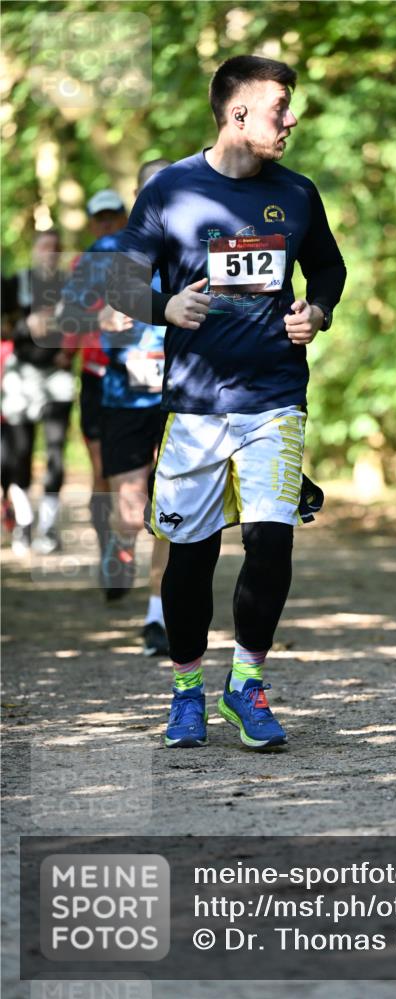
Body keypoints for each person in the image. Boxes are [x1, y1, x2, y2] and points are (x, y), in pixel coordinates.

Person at [110, 54, 346, 749]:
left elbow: (327, 266)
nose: (292, 118)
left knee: (270, 540)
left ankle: (246, 686)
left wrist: (319, 312)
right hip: (195, 405)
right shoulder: (171, 191)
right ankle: (187, 691)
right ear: (237, 113)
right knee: (190, 556)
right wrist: (164, 304)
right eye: (281, 107)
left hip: (274, 397)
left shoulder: (297, 193)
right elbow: (117, 283)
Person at [60, 163, 172, 656]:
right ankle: (120, 547)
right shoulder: (108, 250)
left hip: (186, 394)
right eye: (152, 187)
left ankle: (159, 615)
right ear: (137, 195)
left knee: (174, 508)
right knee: (131, 511)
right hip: (125, 394)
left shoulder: (200, 242)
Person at [63, 191, 127, 579]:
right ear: (90, 223)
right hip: (97, 376)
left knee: (144, 469)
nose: (106, 223)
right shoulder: (82, 264)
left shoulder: (147, 255)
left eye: (113, 216)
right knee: (103, 469)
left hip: (146, 377)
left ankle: (132, 547)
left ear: (125, 218)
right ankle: (110, 554)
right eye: (99, 218)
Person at [1, 230, 75, 555]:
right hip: (21, 378)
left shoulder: (70, 285)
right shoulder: (16, 282)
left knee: (56, 453)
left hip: (57, 377)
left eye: (56, 248)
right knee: (20, 454)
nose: (50, 253)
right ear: (34, 251)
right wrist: (24, 325)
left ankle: (47, 527)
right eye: (44, 247)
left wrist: (68, 350)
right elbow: (5, 326)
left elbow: (83, 324)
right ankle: (23, 524)